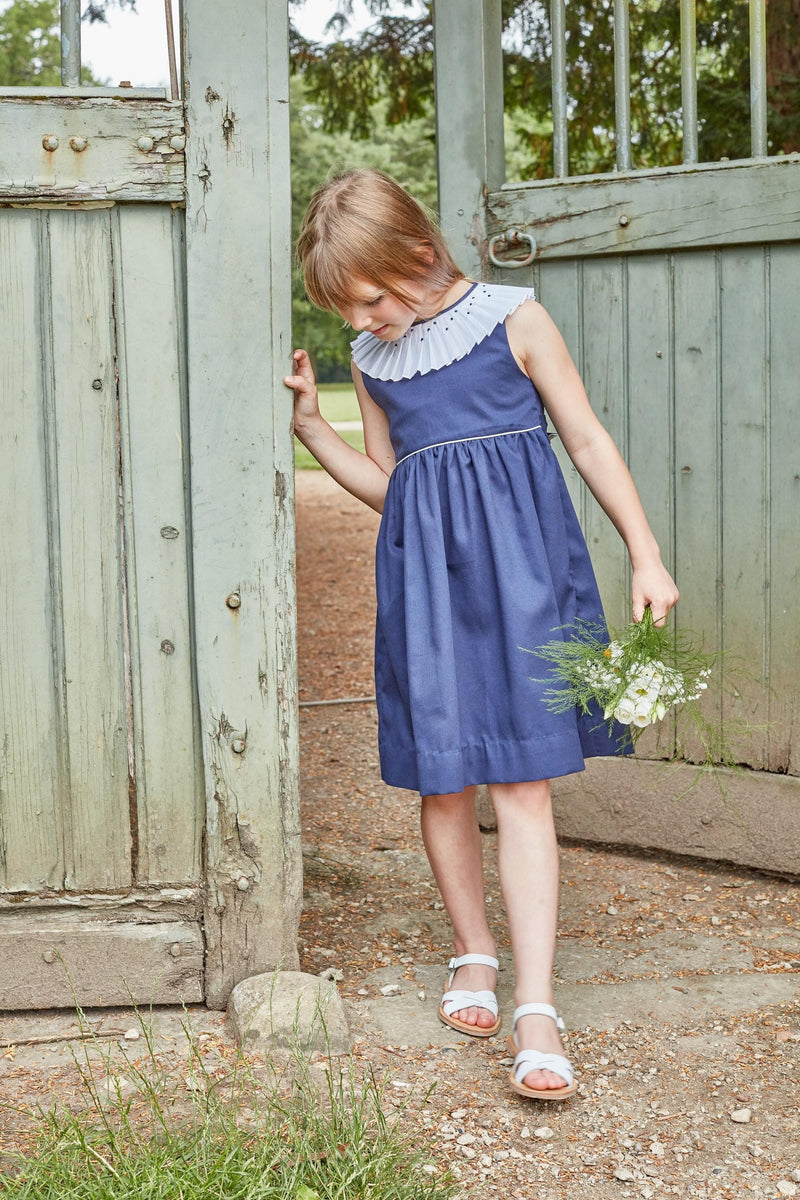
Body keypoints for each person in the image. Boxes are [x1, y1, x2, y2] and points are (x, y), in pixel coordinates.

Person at [285, 168, 678, 1102]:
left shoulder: (516, 320)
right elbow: (391, 483)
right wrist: (313, 429)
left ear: (418, 254)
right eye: (352, 308)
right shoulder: (372, 362)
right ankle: (474, 952)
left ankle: (537, 1008)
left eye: (376, 297)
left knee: (524, 782)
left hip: (526, 578)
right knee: (444, 777)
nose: (370, 320)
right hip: (426, 591)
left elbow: (585, 440)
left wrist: (646, 554)